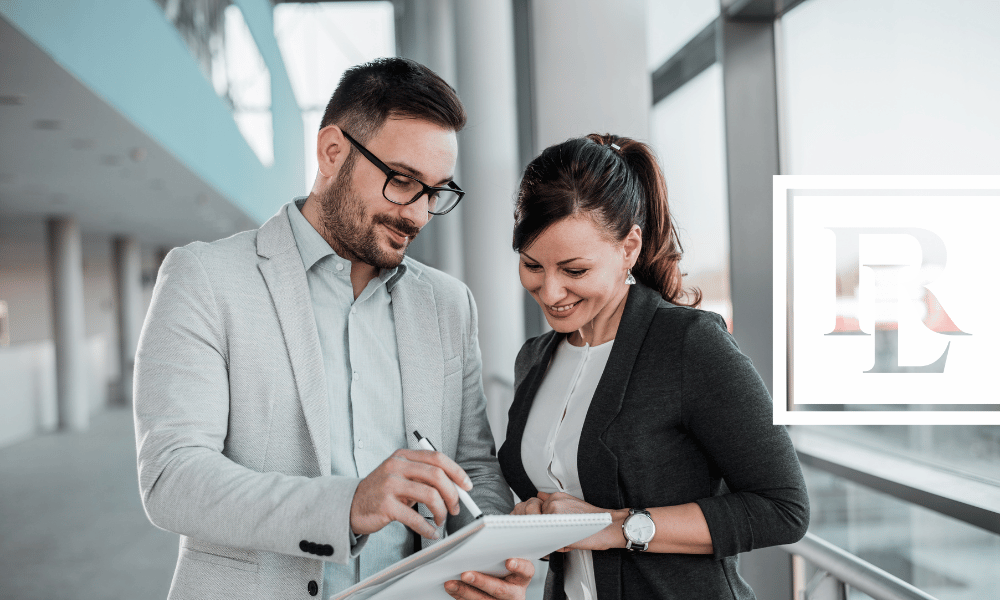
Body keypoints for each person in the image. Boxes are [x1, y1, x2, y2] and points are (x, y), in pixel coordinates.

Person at [134, 58, 532, 600]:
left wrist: (488, 550)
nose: (417, 213)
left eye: (436, 192)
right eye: (401, 181)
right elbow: (172, 479)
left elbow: (473, 467)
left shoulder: (448, 304)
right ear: (332, 152)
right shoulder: (205, 278)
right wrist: (347, 505)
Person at [497, 134, 809, 599]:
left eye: (574, 270)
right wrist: (535, 523)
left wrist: (616, 527)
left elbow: (783, 508)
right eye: (532, 266)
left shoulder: (688, 345)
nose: (551, 291)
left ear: (629, 247)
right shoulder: (534, 359)